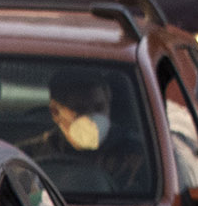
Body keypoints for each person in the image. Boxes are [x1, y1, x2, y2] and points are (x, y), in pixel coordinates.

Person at [18, 68, 149, 191]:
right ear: (55, 113)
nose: (93, 120)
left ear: (108, 102)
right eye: (79, 110)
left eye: (99, 108)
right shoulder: (27, 157)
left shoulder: (139, 155)